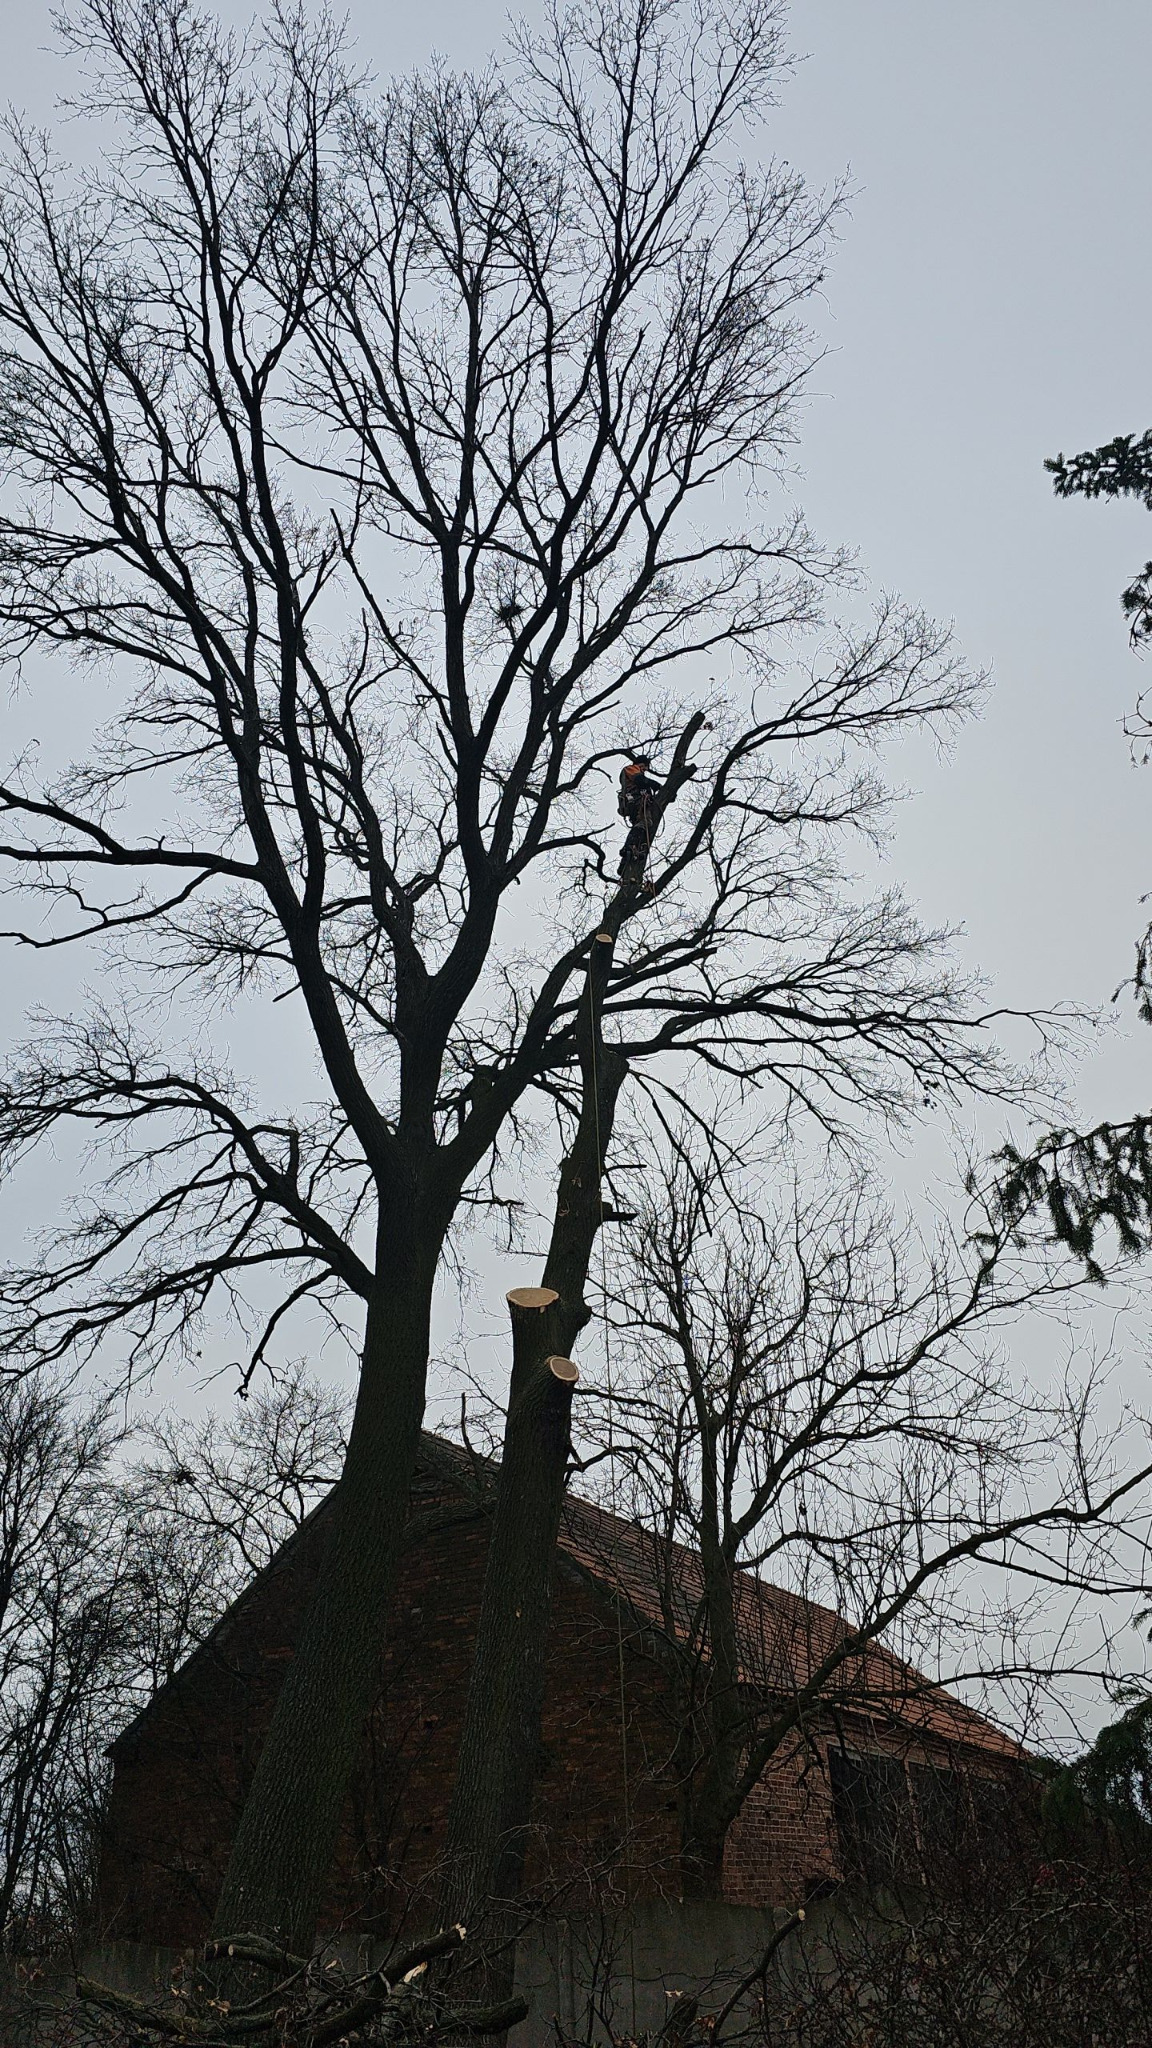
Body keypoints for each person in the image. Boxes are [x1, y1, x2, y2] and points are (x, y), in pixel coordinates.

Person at [617, 756, 663, 880]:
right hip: (635, 802)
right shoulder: (631, 769)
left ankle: (626, 860)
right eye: (645, 767)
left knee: (643, 825)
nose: (645, 769)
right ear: (642, 764)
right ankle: (628, 847)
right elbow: (639, 780)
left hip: (638, 803)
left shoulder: (637, 773)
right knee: (645, 822)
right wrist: (656, 785)